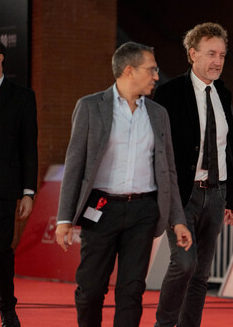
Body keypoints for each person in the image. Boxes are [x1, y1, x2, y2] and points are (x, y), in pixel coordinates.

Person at [55, 42, 192, 327]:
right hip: (101, 209)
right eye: (151, 69)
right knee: (91, 289)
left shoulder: (158, 114)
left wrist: (177, 220)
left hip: (143, 211)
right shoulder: (90, 107)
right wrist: (64, 219)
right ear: (129, 71)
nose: (157, 76)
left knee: (132, 291)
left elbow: (168, 172)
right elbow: (75, 165)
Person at [153, 23, 233, 327]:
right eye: (211, 53)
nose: (218, 61)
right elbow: (157, 147)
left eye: (222, 55)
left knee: (200, 274)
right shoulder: (168, 94)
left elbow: (229, 148)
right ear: (192, 53)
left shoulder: (223, 93)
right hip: (182, 194)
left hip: (216, 194)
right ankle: (164, 325)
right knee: (184, 263)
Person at [0, 37, 38, 327]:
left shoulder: (22, 96)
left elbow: (29, 146)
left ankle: (6, 307)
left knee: (1, 251)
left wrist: (28, 191)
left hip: (3, 188)